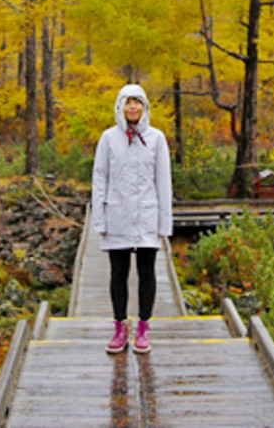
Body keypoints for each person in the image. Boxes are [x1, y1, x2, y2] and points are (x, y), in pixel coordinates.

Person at [91, 83, 173, 355]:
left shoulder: (157, 138)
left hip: (147, 215)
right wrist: (100, 220)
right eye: (128, 102)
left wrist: (164, 223)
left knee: (147, 271)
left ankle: (144, 326)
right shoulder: (108, 139)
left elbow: (163, 182)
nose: (133, 107)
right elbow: (100, 179)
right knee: (118, 272)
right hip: (118, 214)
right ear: (120, 106)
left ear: (145, 106)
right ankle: (119, 327)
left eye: (138, 102)